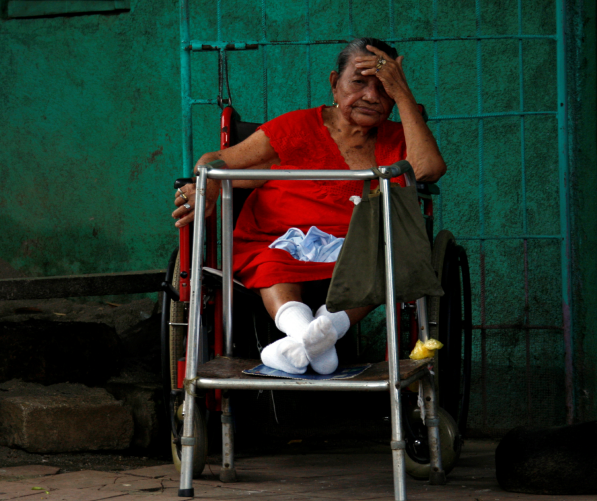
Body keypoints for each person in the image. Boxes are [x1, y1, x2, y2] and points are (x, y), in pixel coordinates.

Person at [171, 38, 447, 375]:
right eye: (358, 83)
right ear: (334, 83)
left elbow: (429, 168)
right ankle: (314, 339)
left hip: (359, 250)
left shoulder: (398, 137)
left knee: (387, 260)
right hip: (282, 243)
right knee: (271, 259)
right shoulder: (295, 129)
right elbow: (216, 161)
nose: (372, 96)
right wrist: (208, 187)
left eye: (384, 87)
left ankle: (303, 344)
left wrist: (403, 94)